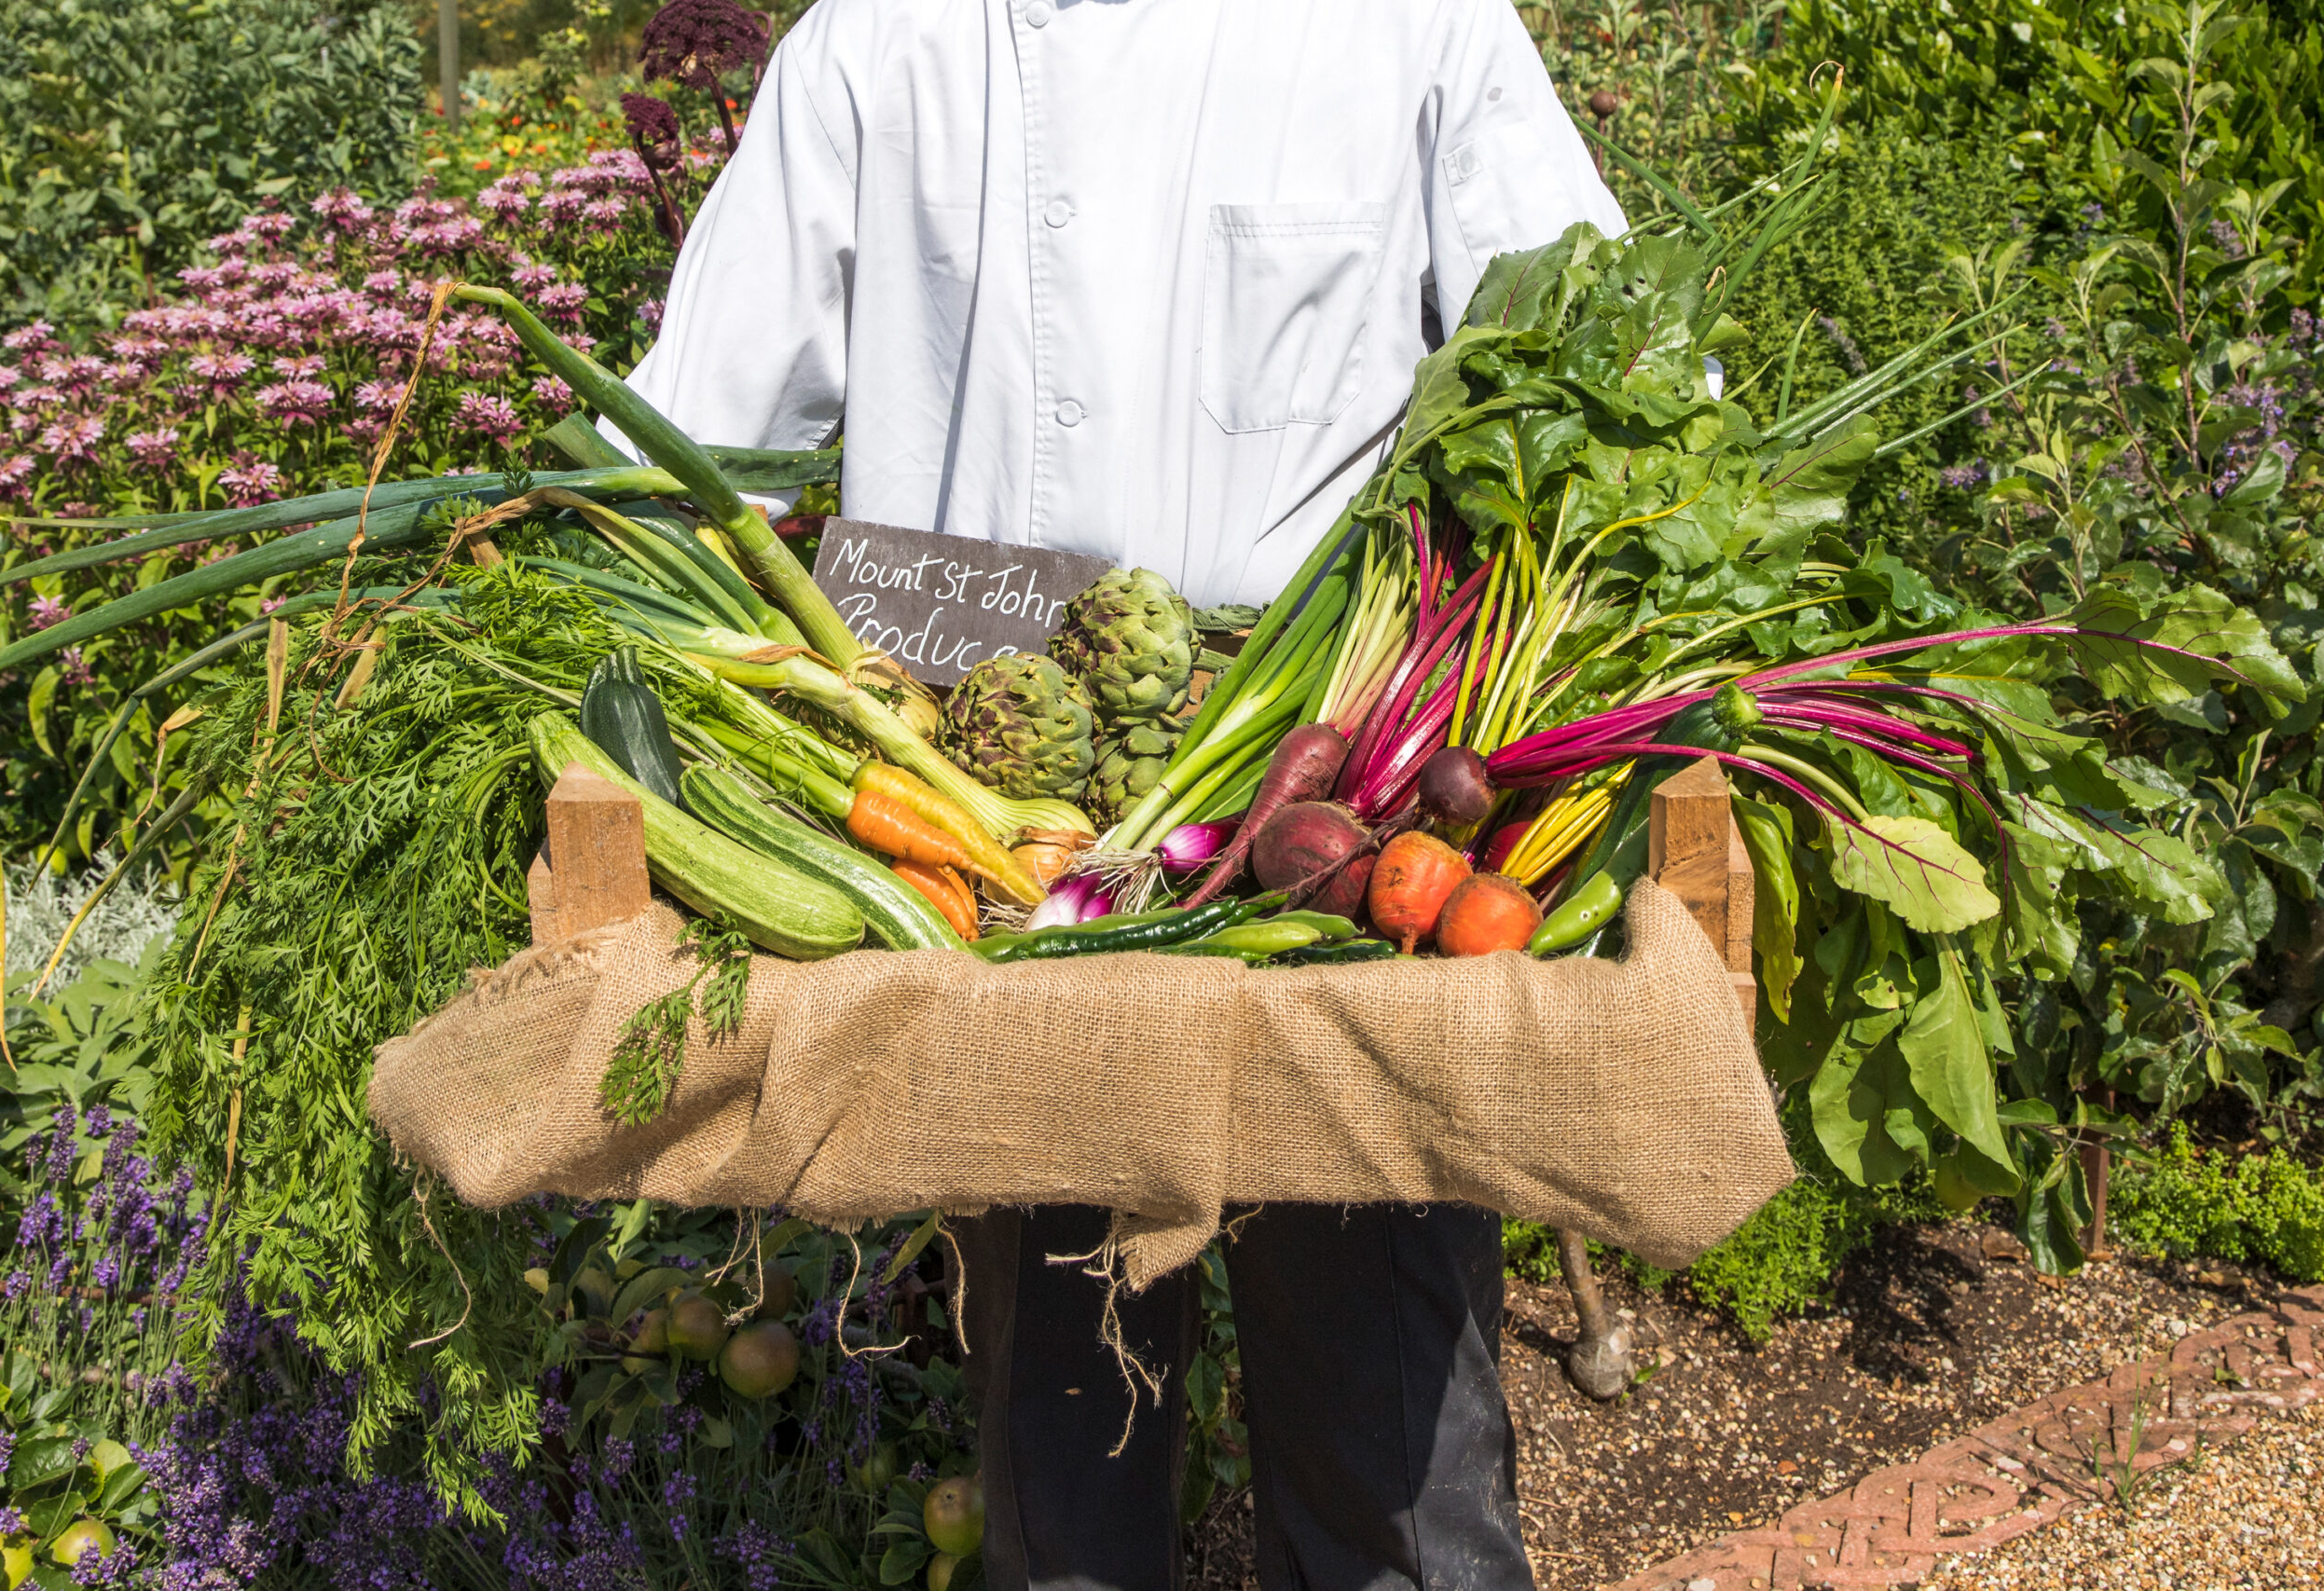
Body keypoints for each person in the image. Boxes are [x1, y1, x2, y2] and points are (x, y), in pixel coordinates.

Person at [612, 3, 1626, 1586]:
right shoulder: (883, 45)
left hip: (1336, 846)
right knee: (1063, 1463)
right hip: (1008, 877)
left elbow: (1604, 366)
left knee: (1394, 1471)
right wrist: (558, 596)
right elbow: (698, 435)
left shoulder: (1408, 26)